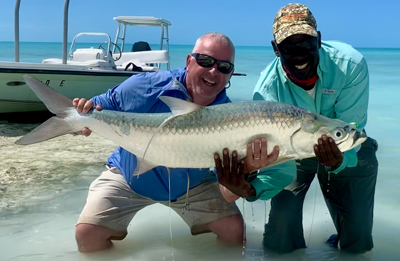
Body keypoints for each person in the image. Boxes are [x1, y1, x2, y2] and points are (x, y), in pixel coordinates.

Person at [72, 32, 294, 253]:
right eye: (206, 61)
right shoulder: (146, 86)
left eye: (224, 67)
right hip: (130, 175)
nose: (213, 71)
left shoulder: (232, 119)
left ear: (230, 74)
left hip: (192, 184)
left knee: (235, 232)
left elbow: (225, 191)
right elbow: (102, 104)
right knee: (87, 235)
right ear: (189, 61)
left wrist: (246, 169)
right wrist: (82, 115)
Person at [252, 3, 379, 254]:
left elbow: (351, 131)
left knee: (358, 243)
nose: (300, 54)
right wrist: (252, 189)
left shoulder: (350, 65)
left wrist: (337, 161)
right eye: (289, 47)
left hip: (346, 149)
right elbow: (276, 161)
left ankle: (345, 234)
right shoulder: (267, 92)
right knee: (279, 244)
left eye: (307, 44)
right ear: (276, 49)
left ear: (319, 40)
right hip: (293, 155)